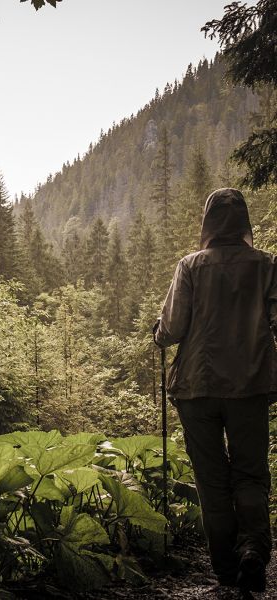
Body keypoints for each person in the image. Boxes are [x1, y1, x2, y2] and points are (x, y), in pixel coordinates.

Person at [154, 188, 275, 593]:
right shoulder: (266, 266)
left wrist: (158, 333)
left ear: (207, 222)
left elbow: (171, 331)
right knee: (250, 472)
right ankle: (253, 551)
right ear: (244, 223)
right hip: (250, 385)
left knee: (211, 479)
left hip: (196, 387)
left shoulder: (190, 266)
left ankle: (224, 569)